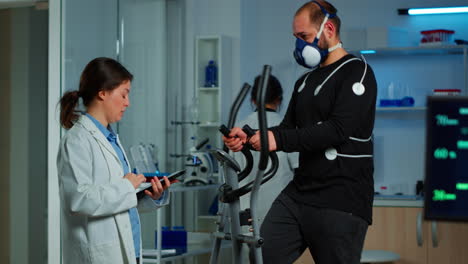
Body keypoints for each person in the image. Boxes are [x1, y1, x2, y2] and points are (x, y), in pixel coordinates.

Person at [223, 1, 377, 263]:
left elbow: (338, 130)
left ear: (328, 28)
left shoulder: (356, 71)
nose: (300, 45)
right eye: (296, 38)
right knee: (260, 256)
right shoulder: (304, 81)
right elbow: (286, 130)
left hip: (341, 197)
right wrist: (249, 137)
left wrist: (277, 139)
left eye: (304, 37)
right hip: (300, 194)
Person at [57, 57, 174, 264]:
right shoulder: (77, 140)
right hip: (99, 254)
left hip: (129, 249)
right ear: (102, 93)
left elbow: (119, 202)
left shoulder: (110, 138)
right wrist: (127, 186)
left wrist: (149, 195)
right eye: (124, 94)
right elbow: (78, 199)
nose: (127, 103)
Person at [233, 75, 299, 263]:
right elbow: (298, 168)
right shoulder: (288, 130)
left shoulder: (237, 128)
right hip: (278, 209)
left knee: (248, 257)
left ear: (253, 100)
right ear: (279, 99)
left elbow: (230, 170)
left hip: (244, 208)